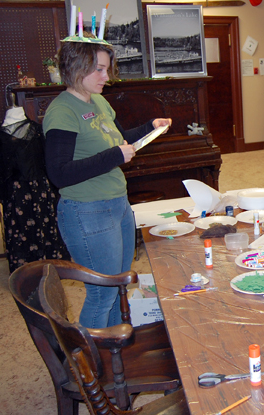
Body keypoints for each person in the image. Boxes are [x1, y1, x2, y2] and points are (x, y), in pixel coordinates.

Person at [43, 35, 172, 329]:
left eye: (107, 69)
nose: (106, 77)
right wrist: (114, 155)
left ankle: (116, 350)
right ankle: (94, 365)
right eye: (99, 70)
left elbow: (121, 139)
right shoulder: (62, 111)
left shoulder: (99, 101)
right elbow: (59, 173)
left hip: (117, 204)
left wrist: (151, 127)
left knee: (118, 286)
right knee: (101, 295)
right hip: (87, 212)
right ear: (76, 68)